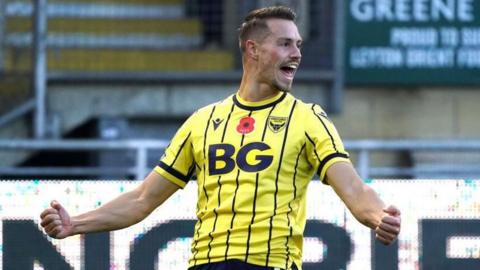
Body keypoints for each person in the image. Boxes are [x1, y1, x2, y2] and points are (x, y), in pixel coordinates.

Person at [40, 6, 401, 270]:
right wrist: (76, 225)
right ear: (253, 49)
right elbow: (143, 198)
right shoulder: (202, 121)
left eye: (298, 45)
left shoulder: (307, 118)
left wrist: (376, 216)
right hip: (205, 264)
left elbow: (353, 188)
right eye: (286, 44)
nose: (297, 54)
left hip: (269, 263)